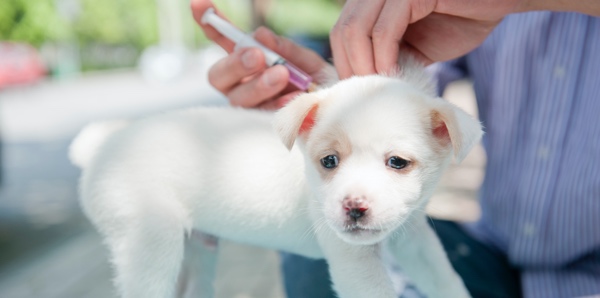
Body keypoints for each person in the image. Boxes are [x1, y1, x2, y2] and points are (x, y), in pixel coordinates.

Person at [190, 0, 600, 297]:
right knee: (322, 229)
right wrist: (336, 92)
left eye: (397, 163)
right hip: (491, 248)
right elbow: (405, 93)